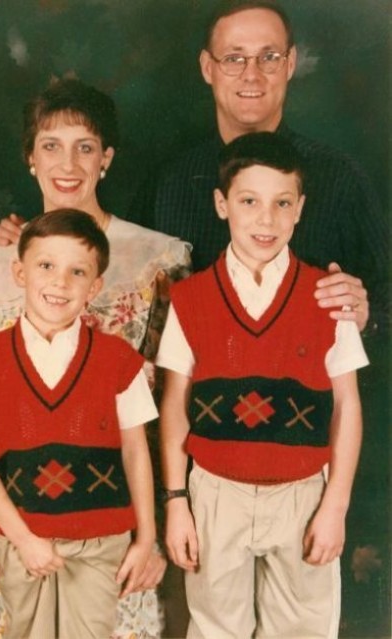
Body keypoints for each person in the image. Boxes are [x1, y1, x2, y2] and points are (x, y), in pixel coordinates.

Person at [0, 78, 191, 639]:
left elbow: (174, 403)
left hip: (113, 528)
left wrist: (158, 523)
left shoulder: (159, 262)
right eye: (51, 145)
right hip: (10, 523)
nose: (68, 164)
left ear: (106, 158)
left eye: (85, 147)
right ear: (30, 158)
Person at [157, 131, 369, 638]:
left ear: (300, 209)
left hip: (302, 493)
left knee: (303, 629)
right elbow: (175, 406)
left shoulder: (326, 296)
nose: (266, 220)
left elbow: (347, 406)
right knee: (215, 628)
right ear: (222, 204)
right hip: (215, 492)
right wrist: (177, 500)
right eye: (249, 201)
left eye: (282, 203)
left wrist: (335, 505)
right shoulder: (191, 298)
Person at [0, 209, 157, 639]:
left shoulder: (118, 361)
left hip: (101, 540)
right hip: (23, 538)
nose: (60, 282)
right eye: (46, 265)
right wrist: (23, 538)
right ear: (20, 272)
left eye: (77, 271)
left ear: (94, 286)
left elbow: (136, 451)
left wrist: (145, 538)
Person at [129, 0, 387, 333]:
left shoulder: (340, 178)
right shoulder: (166, 183)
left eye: (269, 57)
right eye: (233, 59)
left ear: (290, 64)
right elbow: (128, 305)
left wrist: (368, 313)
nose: (252, 75)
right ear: (207, 68)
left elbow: (386, 293)